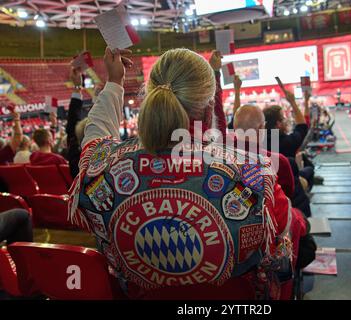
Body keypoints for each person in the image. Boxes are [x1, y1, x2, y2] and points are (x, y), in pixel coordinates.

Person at [68, 48, 307, 299]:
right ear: (207, 108)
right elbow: (281, 251)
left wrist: (114, 81)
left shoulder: (104, 169)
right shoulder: (255, 176)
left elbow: (94, 135)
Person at [263, 89, 309, 158]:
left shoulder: (258, 142)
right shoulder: (286, 142)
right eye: (283, 118)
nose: (286, 120)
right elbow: (302, 126)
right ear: (278, 124)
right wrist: (292, 102)